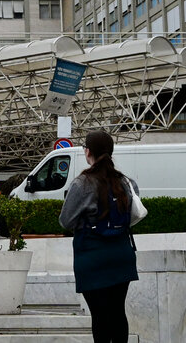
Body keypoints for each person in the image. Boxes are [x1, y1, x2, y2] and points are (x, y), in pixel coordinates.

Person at [59, 130, 139, 343]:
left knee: (100, 316)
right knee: (118, 313)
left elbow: (65, 221)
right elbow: (131, 215)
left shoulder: (82, 184)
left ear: (88, 152)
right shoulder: (127, 182)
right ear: (111, 153)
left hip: (92, 257)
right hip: (122, 254)